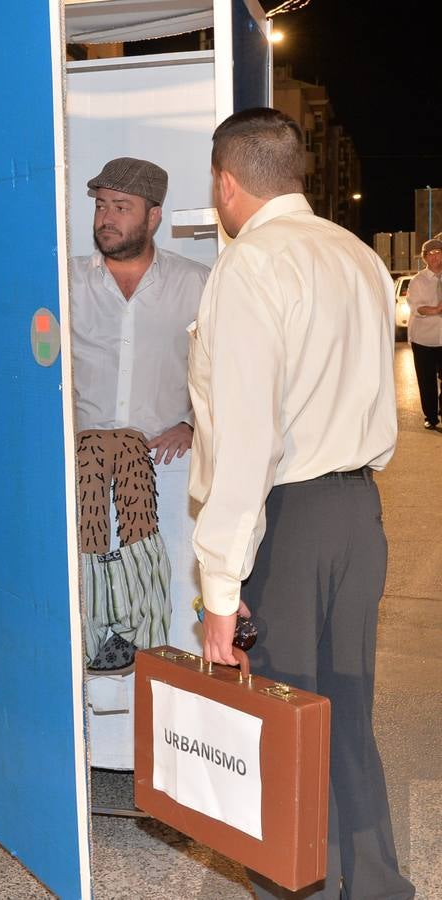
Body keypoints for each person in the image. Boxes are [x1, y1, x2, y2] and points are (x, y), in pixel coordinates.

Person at [188, 108, 414, 900]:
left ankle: (302, 887)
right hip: (360, 514)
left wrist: (220, 592)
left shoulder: (252, 267)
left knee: (280, 717)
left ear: (225, 181)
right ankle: (375, 882)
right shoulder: (356, 256)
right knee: (344, 705)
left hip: (288, 521)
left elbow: (247, 438)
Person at [70, 156, 209, 670]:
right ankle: (96, 734)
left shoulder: (197, 284)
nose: (106, 217)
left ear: (153, 217)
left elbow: (226, 369)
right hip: (83, 471)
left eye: (121, 207)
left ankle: (161, 729)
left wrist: (193, 422)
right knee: (87, 590)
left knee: (160, 592)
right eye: (102, 205)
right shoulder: (66, 284)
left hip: (167, 474)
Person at [406, 237, 442, 429]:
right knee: (426, 380)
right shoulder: (417, 281)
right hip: (424, 339)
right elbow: (416, 308)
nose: (435, 257)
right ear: (424, 258)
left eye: (438, 252)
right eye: (431, 254)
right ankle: (430, 416)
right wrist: (437, 310)